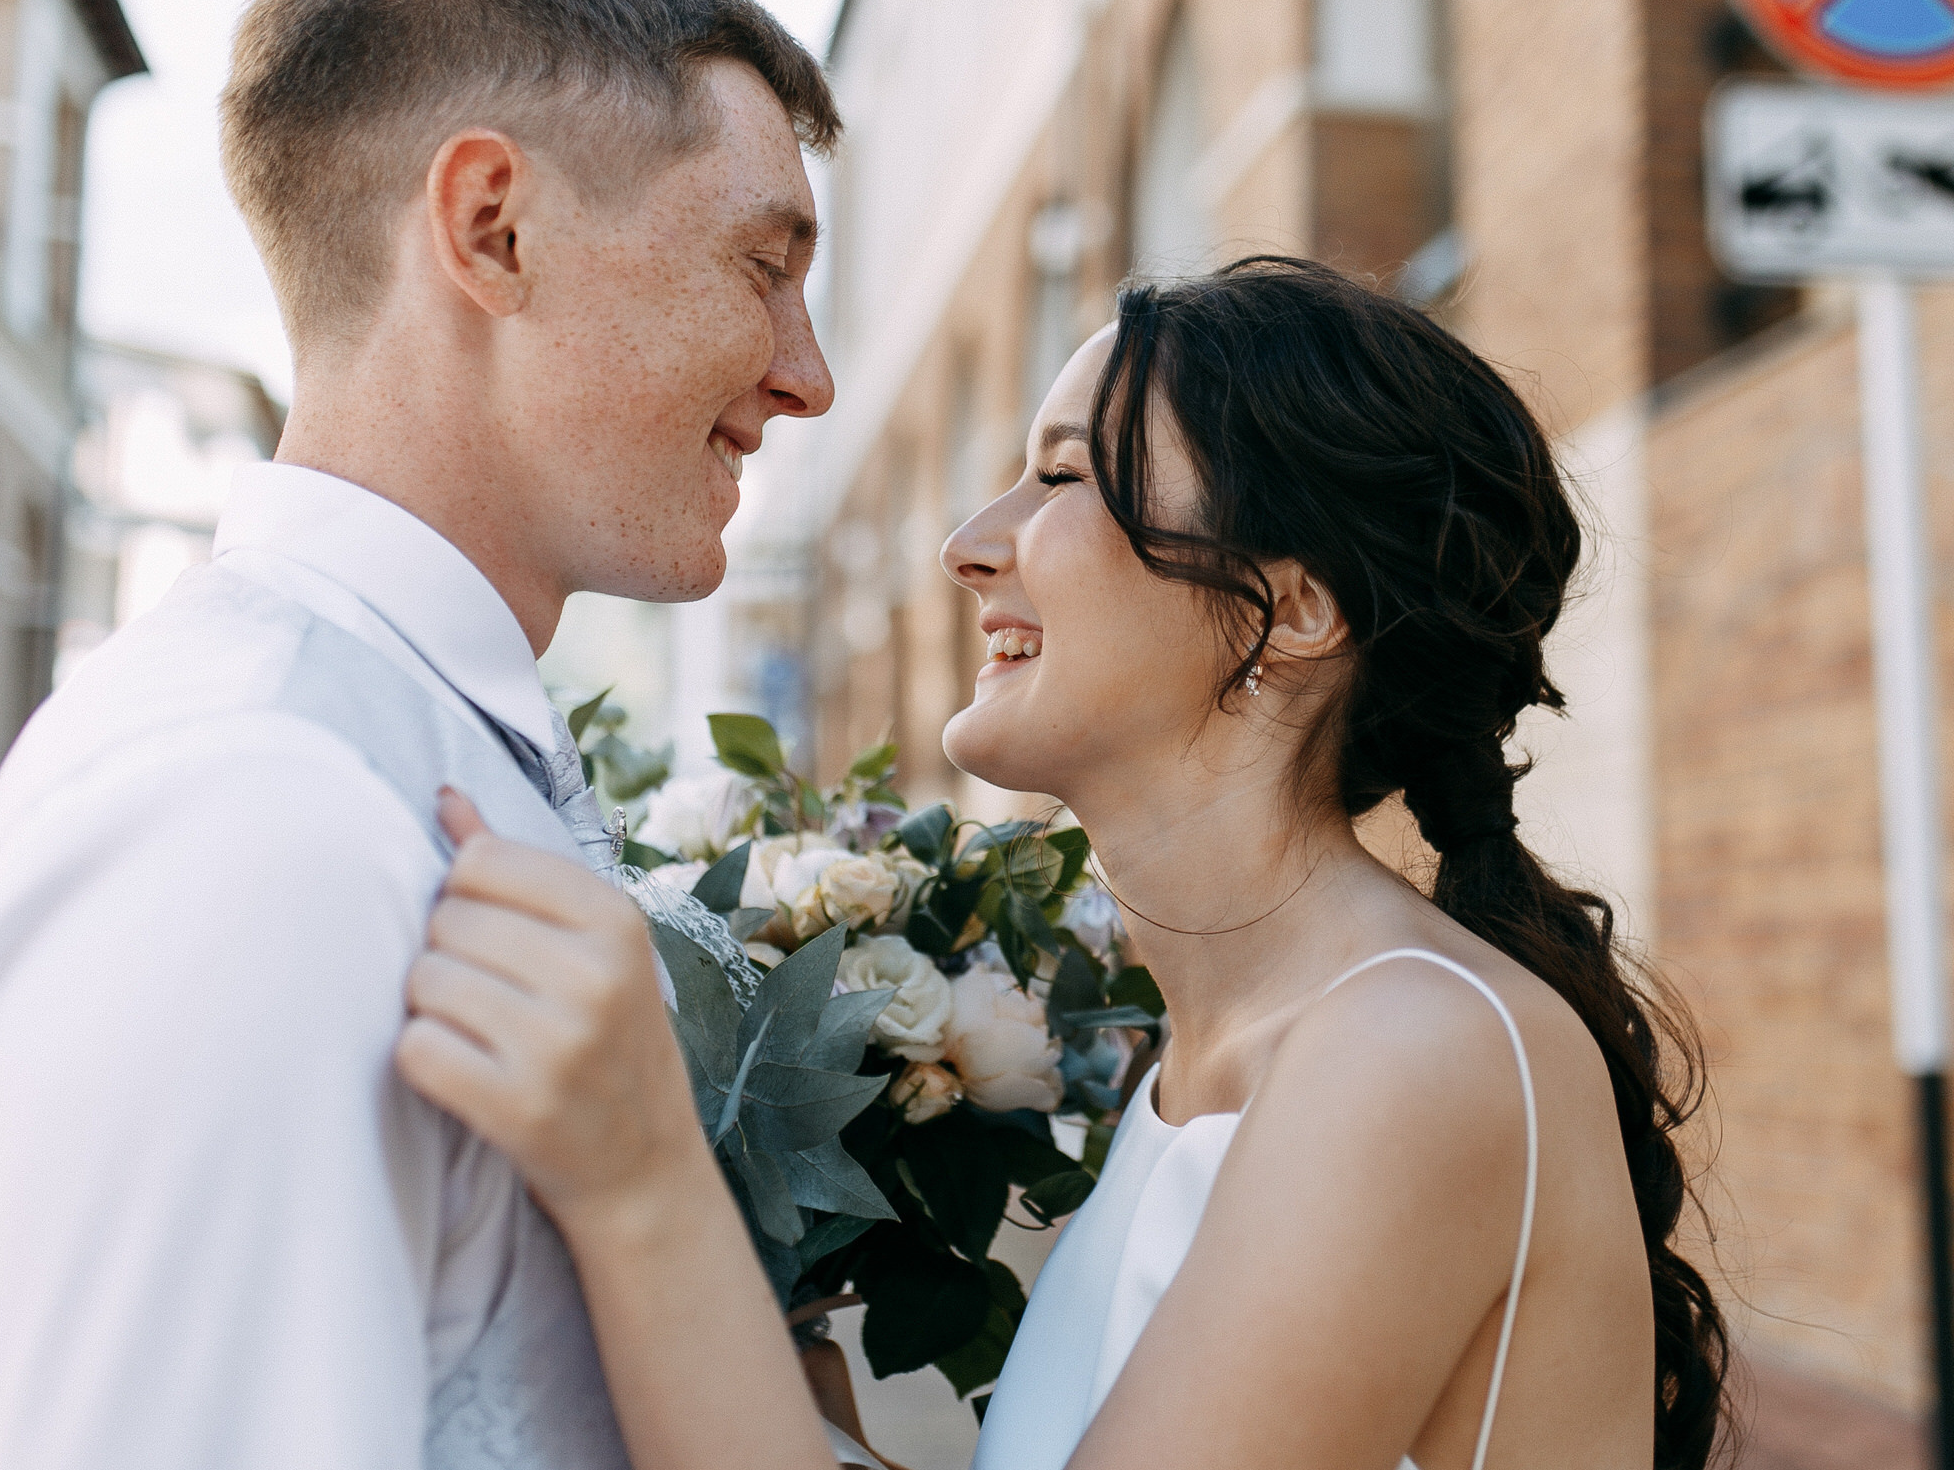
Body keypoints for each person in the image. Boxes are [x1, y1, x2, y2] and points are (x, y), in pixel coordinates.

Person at [398, 257, 1732, 1469]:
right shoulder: (1201, 1061)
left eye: (1064, 477)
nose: (970, 543)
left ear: (1297, 606)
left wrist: (643, 1180)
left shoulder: (1414, 1052)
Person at [0, 0, 853, 1469]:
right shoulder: (250, 821)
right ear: (493, 229)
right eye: (760, 262)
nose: (806, 373)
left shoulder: (396, 742)